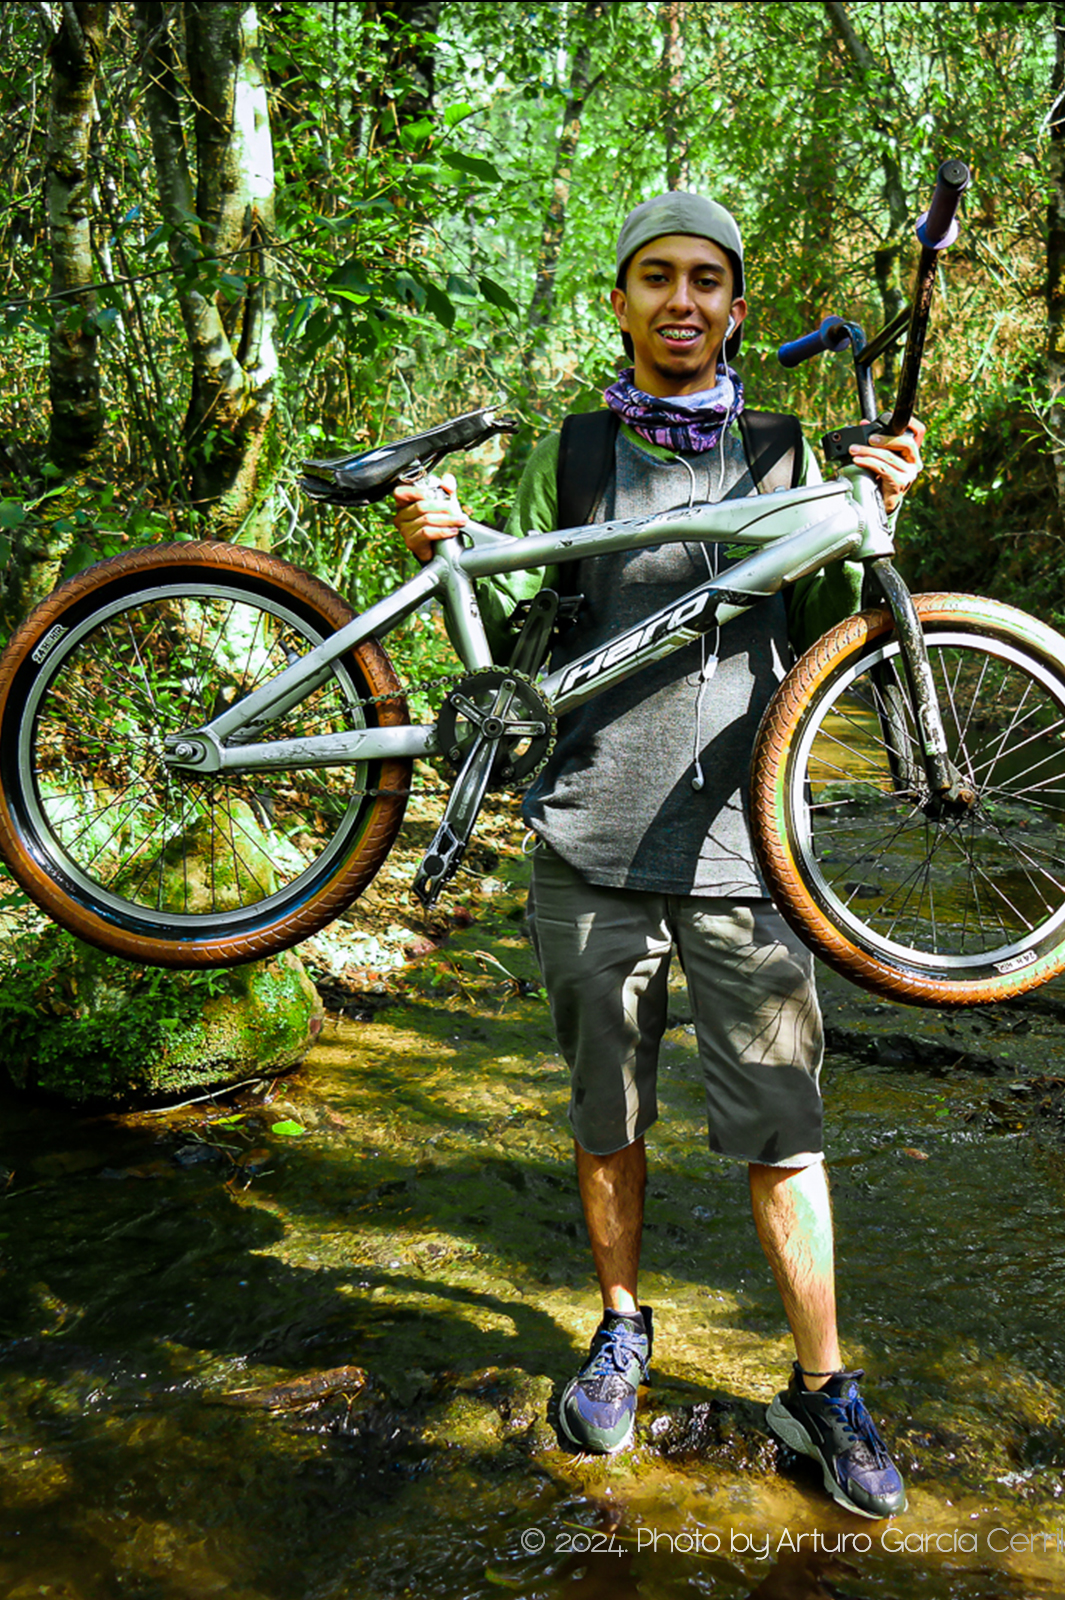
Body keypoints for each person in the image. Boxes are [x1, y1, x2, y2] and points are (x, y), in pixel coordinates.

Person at [391, 191, 924, 1520]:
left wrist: (882, 520)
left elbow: (836, 627)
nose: (680, 300)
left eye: (705, 280)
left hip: (749, 847)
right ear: (620, 303)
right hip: (585, 829)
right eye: (654, 279)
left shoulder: (787, 448)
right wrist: (441, 550)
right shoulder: (572, 452)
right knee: (605, 1118)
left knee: (783, 1136)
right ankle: (621, 1326)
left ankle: (821, 1385)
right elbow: (517, 630)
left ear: (736, 307)